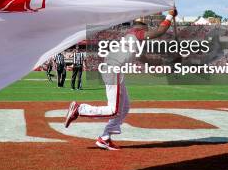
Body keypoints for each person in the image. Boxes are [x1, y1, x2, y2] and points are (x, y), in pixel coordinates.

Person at [64, 8, 177, 150]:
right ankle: (79, 109)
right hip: (113, 69)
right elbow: (160, 31)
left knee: (124, 107)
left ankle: (105, 137)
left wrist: (166, 63)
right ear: (142, 28)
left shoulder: (133, 39)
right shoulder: (137, 33)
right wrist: (170, 16)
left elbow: (145, 59)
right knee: (114, 109)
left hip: (114, 69)